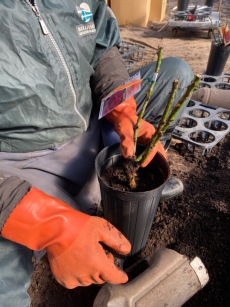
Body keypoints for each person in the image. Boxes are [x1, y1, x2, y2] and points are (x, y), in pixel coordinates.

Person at [0, 1, 194, 306]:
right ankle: (63, 219)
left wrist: (122, 108)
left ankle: (134, 191)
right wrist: (52, 227)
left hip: (95, 127)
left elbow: (101, 46)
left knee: (176, 73)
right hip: (21, 167)